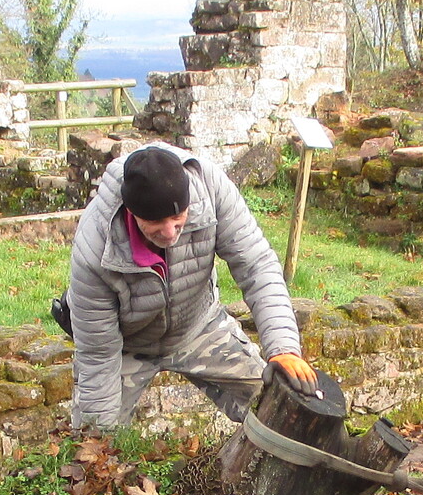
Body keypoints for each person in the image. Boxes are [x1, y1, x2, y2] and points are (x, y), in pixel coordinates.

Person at [59, 142, 319, 429]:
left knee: (278, 408)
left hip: (198, 326)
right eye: (155, 222)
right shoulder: (95, 245)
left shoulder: (210, 189)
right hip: (126, 345)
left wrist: (283, 348)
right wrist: (99, 444)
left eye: (178, 216)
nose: (170, 232)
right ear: (132, 212)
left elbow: (257, 266)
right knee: (96, 435)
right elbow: (98, 353)